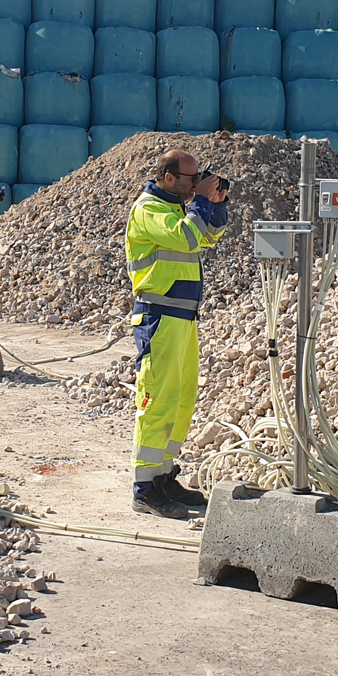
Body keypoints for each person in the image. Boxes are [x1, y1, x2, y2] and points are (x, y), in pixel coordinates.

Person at [123, 148, 231, 518]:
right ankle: (144, 488)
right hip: (159, 317)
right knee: (158, 402)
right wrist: (200, 200)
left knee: (181, 401)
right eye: (190, 178)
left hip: (182, 320)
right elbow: (187, 239)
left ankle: (164, 476)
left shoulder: (175, 210)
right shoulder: (149, 210)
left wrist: (215, 205)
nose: (194, 183)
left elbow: (206, 238)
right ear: (168, 177)